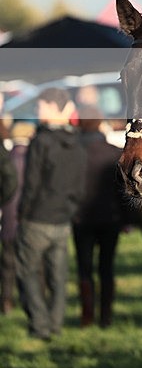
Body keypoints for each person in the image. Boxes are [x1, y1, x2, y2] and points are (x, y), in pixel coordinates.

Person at [15, 88, 86, 340]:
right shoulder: (76, 143)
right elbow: (80, 185)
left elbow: (32, 183)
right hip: (62, 218)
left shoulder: (41, 141)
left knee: (27, 272)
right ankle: (54, 323)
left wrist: (22, 214)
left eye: (41, 107)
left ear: (54, 108)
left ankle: (40, 324)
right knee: (58, 275)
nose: (38, 112)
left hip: (37, 217)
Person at [73, 106, 125, 328]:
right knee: (107, 267)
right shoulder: (114, 152)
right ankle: (106, 317)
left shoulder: (74, 151)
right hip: (110, 217)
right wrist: (126, 219)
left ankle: (87, 317)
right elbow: (122, 190)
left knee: (84, 268)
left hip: (80, 217)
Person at [1, 121, 35, 314]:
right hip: (28, 218)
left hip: (8, 217)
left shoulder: (6, 158)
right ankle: (29, 300)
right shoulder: (33, 157)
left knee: (7, 262)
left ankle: (6, 301)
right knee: (31, 264)